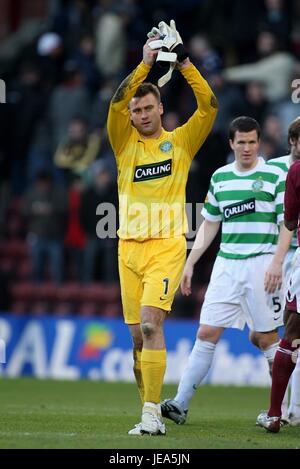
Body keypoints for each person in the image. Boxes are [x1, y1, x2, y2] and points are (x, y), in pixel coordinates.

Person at [107, 21, 218, 435]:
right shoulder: (123, 142)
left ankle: (152, 414)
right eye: (135, 111)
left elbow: (209, 108)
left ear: (159, 109)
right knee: (138, 338)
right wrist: (144, 64)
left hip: (166, 247)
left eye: (147, 108)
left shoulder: (181, 143)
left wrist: (186, 63)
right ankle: (148, 410)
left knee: (153, 324)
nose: (140, 114)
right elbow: (115, 102)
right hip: (127, 251)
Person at [161, 116, 290, 425]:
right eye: (241, 142)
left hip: (262, 263)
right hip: (226, 265)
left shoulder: (274, 176)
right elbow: (210, 223)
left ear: (260, 143)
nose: (247, 148)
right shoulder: (220, 178)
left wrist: (277, 262)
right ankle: (180, 403)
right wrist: (190, 262)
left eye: (252, 142)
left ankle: (282, 412)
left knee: (267, 339)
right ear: (232, 144)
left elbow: (287, 222)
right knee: (206, 332)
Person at [257, 121, 300, 433]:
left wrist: (278, 259)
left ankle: (275, 413)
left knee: (291, 334)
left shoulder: (295, 172)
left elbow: (290, 220)